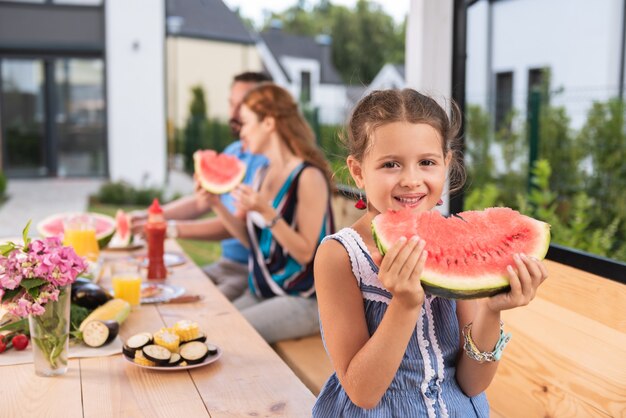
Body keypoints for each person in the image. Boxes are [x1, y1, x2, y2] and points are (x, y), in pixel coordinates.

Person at [312, 89, 549, 416]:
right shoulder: (340, 256)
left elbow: (472, 383)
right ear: (358, 171)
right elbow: (362, 392)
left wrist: (493, 310)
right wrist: (406, 304)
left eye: (427, 162)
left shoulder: (459, 247)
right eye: (390, 164)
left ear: (446, 164)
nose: (411, 180)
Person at [195, 83, 335, 343]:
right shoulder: (262, 174)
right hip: (264, 289)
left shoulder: (308, 177)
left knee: (226, 337)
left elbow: (306, 253)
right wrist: (215, 202)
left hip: (302, 298)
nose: (241, 131)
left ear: (269, 123)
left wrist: (267, 213)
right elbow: (253, 242)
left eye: (246, 122)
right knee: (206, 329)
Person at [131, 71, 271, 300]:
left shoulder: (268, 163)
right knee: (159, 294)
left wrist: (172, 228)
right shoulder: (235, 151)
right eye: (231, 103)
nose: (235, 113)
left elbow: (237, 225)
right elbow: (201, 203)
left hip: (249, 270)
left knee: (196, 312)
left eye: (243, 105)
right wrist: (150, 216)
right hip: (224, 264)